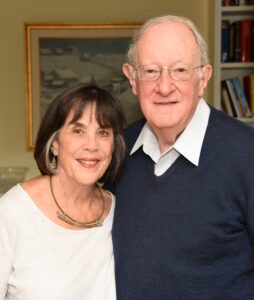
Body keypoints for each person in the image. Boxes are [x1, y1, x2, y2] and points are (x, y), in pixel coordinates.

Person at [110, 15, 254, 299]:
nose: (164, 87)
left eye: (179, 70)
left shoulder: (247, 155)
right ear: (132, 78)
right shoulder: (117, 150)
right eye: (151, 71)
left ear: (203, 78)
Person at [0, 84, 126, 300]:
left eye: (103, 132)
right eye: (78, 131)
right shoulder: (14, 211)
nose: (91, 145)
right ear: (55, 143)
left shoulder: (119, 211)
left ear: (113, 146)